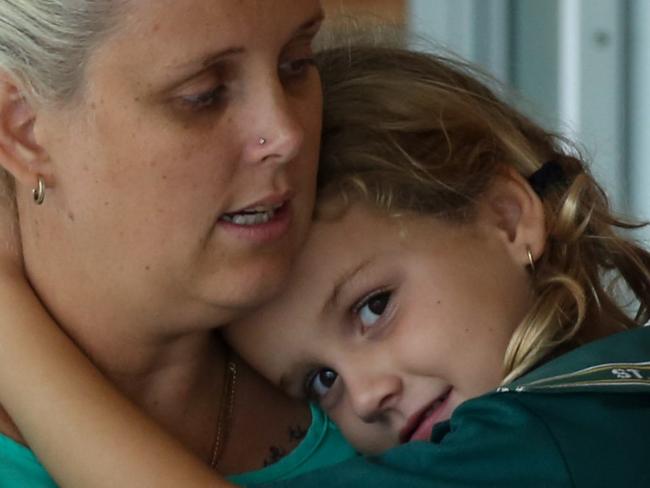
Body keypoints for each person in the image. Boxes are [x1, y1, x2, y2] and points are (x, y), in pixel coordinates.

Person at [2, 42, 650, 487]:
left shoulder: (536, 441)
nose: (367, 397)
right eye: (320, 383)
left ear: (507, 218)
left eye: (374, 308)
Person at [0, 1, 357, 486]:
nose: (286, 135)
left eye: (295, 64)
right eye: (204, 94)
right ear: (24, 132)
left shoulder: (400, 391)